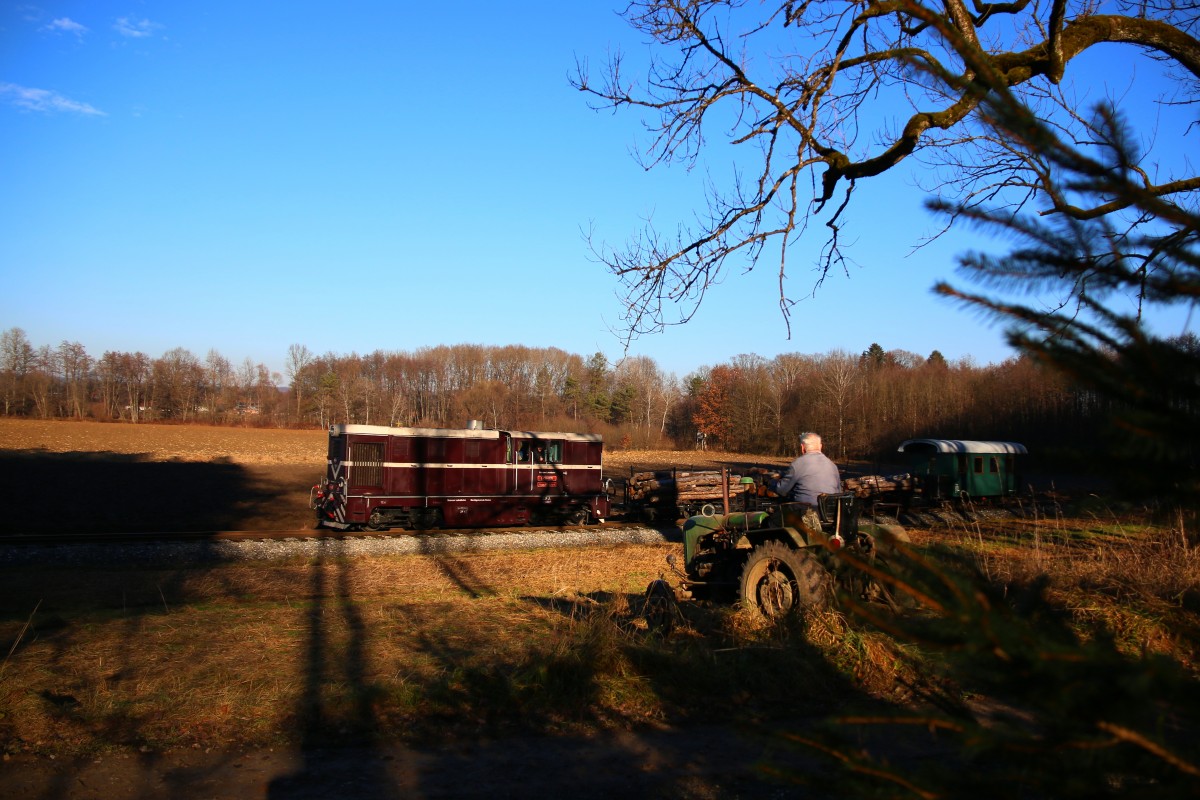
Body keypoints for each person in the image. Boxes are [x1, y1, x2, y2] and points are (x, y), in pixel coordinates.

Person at [770, 432, 841, 505]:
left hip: (806, 511)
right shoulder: (833, 465)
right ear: (820, 446)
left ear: (802, 447)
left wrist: (772, 482)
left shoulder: (798, 464)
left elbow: (782, 490)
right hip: (829, 511)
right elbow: (838, 491)